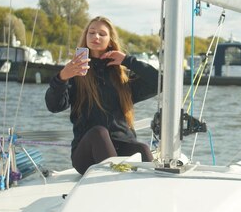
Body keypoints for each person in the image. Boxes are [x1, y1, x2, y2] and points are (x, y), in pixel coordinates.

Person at [45, 16, 159, 175]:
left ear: (110, 40)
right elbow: (54, 106)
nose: (95, 37)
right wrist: (62, 77)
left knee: (142, 149)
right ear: (85, 37)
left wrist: (127, 60)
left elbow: (158, 82)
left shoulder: (122, 76)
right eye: (91, 32)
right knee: (99, 132)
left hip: (121, 148)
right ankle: (114, 183)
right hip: (86, 154)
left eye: (102, 34)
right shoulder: (76, 73)